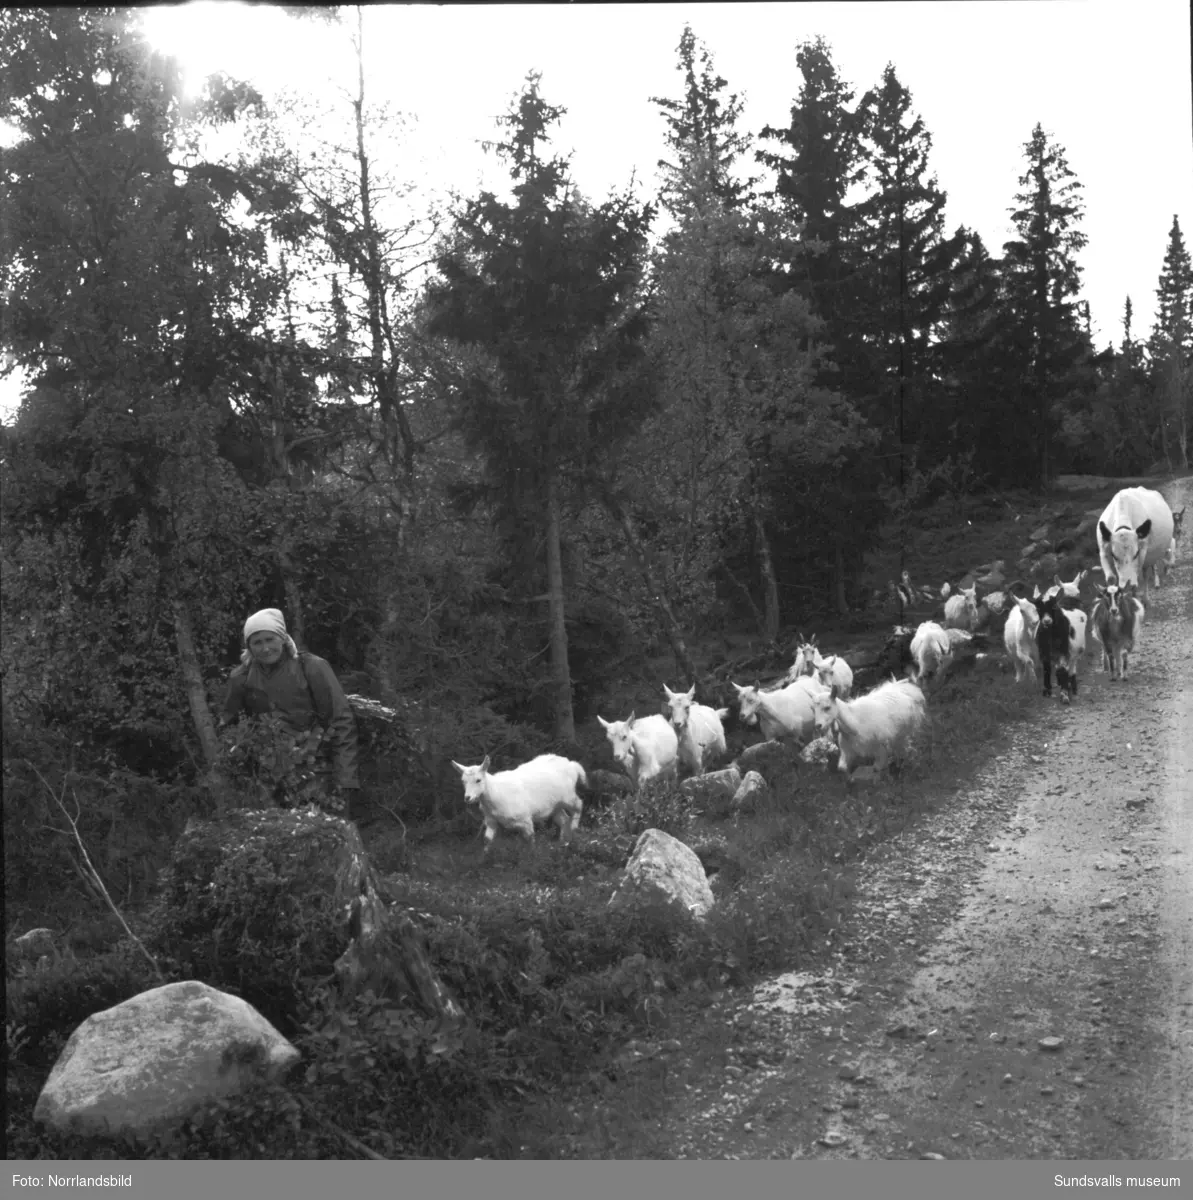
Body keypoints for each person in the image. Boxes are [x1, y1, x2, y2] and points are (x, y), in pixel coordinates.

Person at [221, 608, 360, 815]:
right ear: (248, 646)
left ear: (283, 639)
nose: (266, 648)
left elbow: (340, 721)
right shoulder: (241, 678)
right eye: (257, 642)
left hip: (319, 771)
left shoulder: (312, 667)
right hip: (269, 779)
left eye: (270, 639)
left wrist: (346, 776)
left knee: (326, 836)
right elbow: (229, 729)